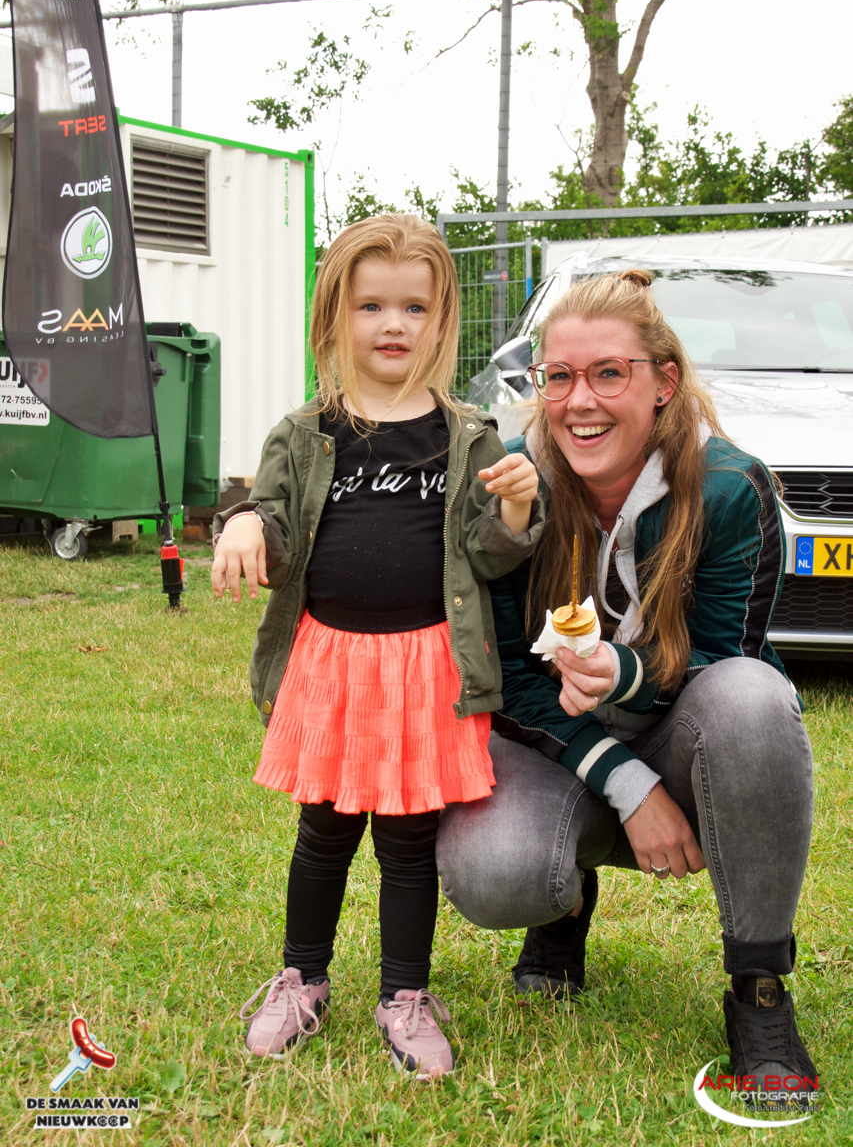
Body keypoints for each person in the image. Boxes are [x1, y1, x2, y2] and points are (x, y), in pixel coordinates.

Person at [437, 269, 816, 1099]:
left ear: (662, 382)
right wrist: (627, 784)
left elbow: (725, 655)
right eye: (559, 376)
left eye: (609, 373)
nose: (580, 401)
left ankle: (758, 986)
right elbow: (504, 679)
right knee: (494, 871)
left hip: (686, 737)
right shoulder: (510, 483)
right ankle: (562, 910)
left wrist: (627, 673)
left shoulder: (729, 486)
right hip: (558, 743)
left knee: (753, 698)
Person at [211, 214, 543, 1079]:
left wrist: (515, 507)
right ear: (334, 318)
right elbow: (272, 520)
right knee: (322, 832)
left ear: (440, 320)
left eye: (413, 307)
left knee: (406, 840)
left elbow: (488, 554)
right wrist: (242, 522)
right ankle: (303, 979)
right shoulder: (302, 431)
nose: (393, 325)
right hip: (330, 662)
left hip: (425, 666)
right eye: (370, 306)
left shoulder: (468, 434)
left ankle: (404, 995)